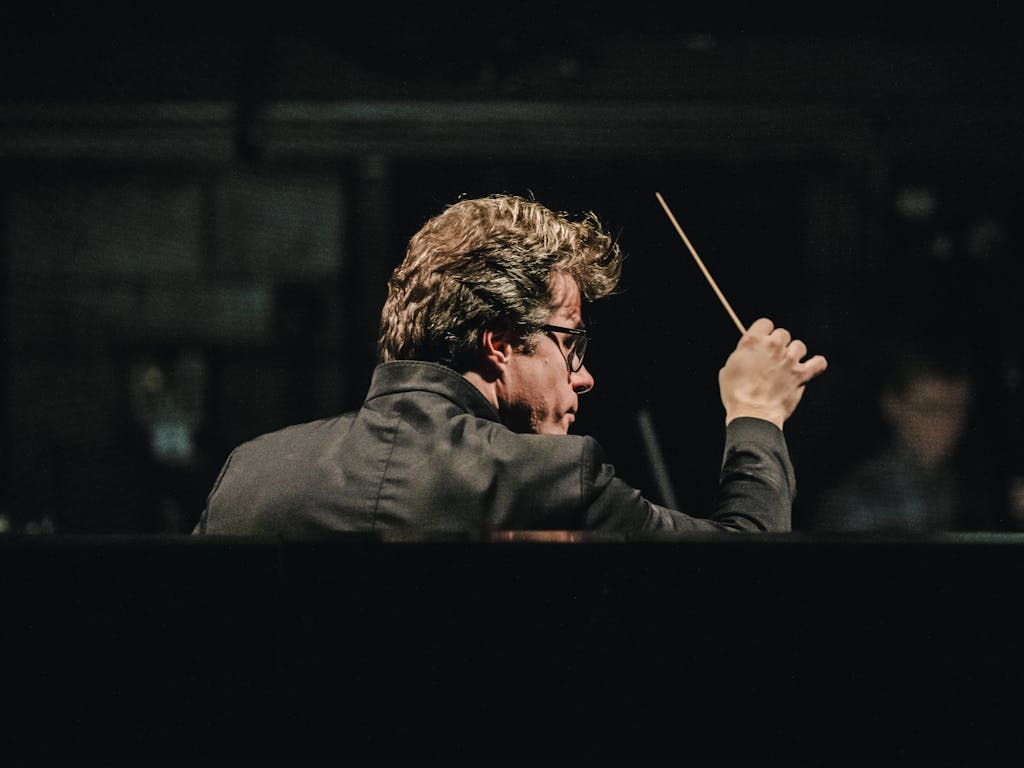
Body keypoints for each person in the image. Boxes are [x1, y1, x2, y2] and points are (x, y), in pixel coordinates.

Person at [193, 193, 827, 540]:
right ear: (499, 343)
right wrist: (756, 412)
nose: (583, 376)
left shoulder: (251, 474)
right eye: (569, 344)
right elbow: (747, 572)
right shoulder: (548, 480)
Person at [812, 335, 992, 534]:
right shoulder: (859, 500)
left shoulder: (963, 485)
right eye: (931, 409)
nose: (947, 422)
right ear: (893, 405)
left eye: (958, 408)